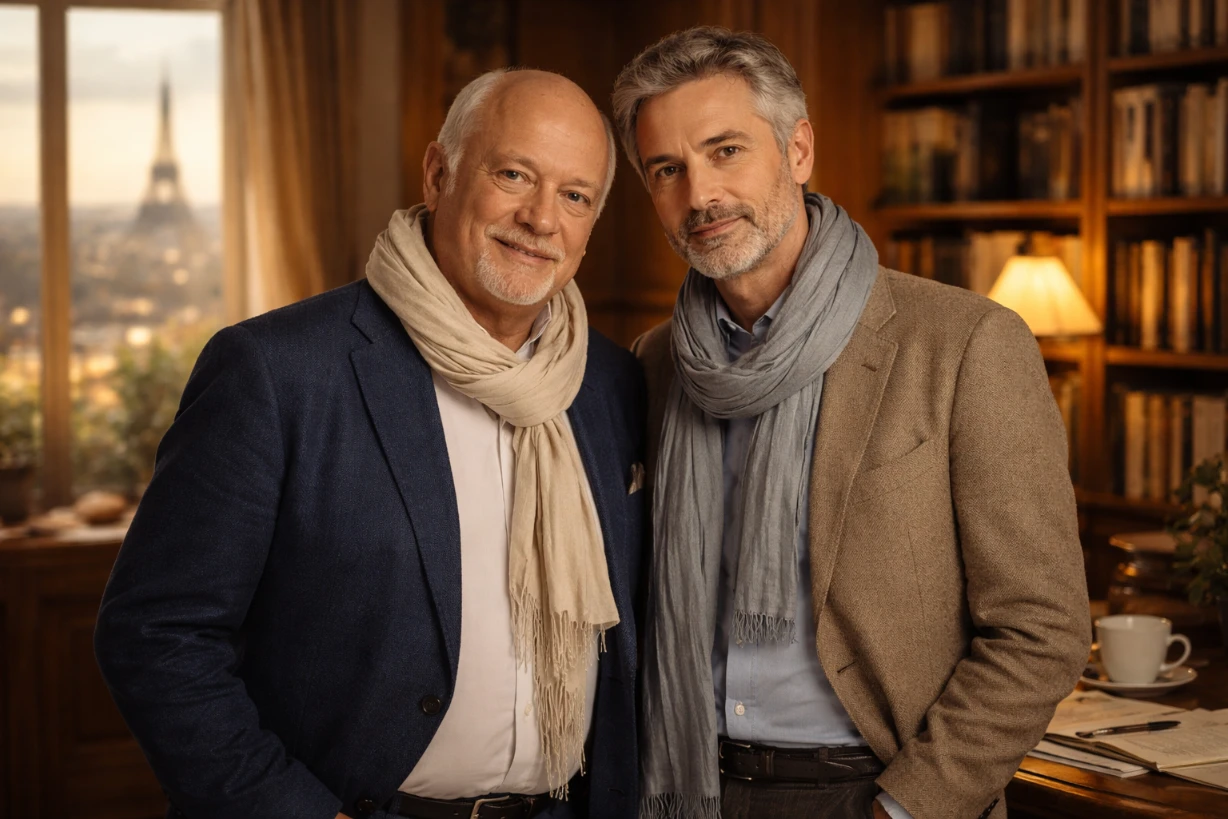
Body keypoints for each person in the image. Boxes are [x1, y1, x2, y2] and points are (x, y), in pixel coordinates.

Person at [95, 68, 645, 819]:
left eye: (575, 196)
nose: (541, 218)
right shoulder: (277, 371)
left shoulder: (609, 385)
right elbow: (156, 633)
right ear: (438, 172)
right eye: (514, 174)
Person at [613, 27, 1090, 819]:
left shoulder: (965, 343)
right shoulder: (655, 364)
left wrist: (904, 808)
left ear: (797, 150)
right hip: (687, 786)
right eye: (668, 169)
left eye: (725, 150)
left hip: (874, 789)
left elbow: (1042, 627)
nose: (699, 195)